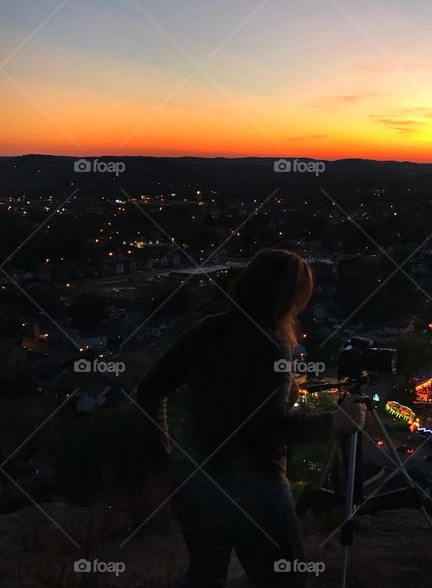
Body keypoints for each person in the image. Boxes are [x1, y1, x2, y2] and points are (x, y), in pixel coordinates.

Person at [137, 249, 366, 588]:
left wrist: (166, 460)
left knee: (205, 576)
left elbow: (149, 391)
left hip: (196, 479)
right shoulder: (273, 346)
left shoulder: (208, 329)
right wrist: (334, 422)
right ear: (291, 298)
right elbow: (266, 428)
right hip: (255, 487)